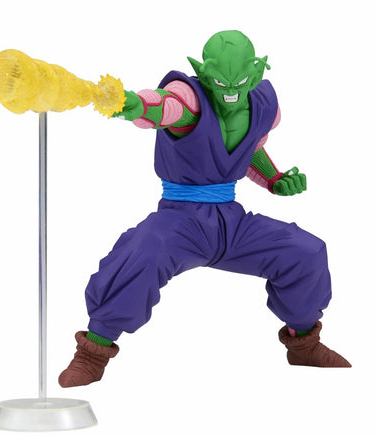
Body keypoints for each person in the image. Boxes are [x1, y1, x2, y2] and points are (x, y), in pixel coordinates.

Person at [59, 30, 351, 388]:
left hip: (232, 221)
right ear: (203, 72)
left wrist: (274, 179)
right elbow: (162, 107)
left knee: (305, 251)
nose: (229, 92)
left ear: (256, 72)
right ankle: (93, 353)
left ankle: (304, 344)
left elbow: (248, 148)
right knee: (141, 253)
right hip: (181, 219)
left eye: (239, 82)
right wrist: (130, 103)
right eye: (219, 82)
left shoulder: (264, 107)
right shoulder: (189, 99)